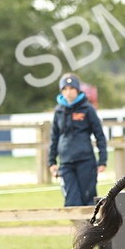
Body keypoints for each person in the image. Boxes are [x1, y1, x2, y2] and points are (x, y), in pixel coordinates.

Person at [48, 73, 108, 207]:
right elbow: (54, 138)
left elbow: (99, 135)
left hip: (86, 161)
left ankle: (89, 228)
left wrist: (102, 160)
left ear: (77, 90)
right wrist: (51, 161)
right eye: (65, 89)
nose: (68, 92)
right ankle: (78, 228)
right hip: (66, 162)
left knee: (88, 200)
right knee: (71, 202)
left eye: (71, 89)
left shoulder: (88, 109)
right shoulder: (58, 111)